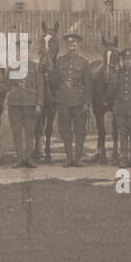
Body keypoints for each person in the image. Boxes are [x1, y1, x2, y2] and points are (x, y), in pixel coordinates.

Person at [53, 33, 91, 167]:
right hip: (63, 100)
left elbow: (88, 84)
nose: (72, 46)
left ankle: (78, 158)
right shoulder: (59, 61)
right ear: (66, 46)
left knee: (80, 130)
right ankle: (69, 158)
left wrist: (87, 102)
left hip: (79, 101)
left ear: (78, 45)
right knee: (65, 129)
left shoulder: (84, 62)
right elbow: (55, 81)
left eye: (74, 44)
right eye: (69, 44)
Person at [4, 39, 44, 168]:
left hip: (30, 104)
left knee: (29, 132)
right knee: (16, 132)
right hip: (14, 104)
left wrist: (39, 103)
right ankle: (19, 159)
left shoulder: (35, 66)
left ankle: (29, 159)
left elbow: (40, 86)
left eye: (25, 49)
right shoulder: (12, 67)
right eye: (20, 49)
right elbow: (7, 85)